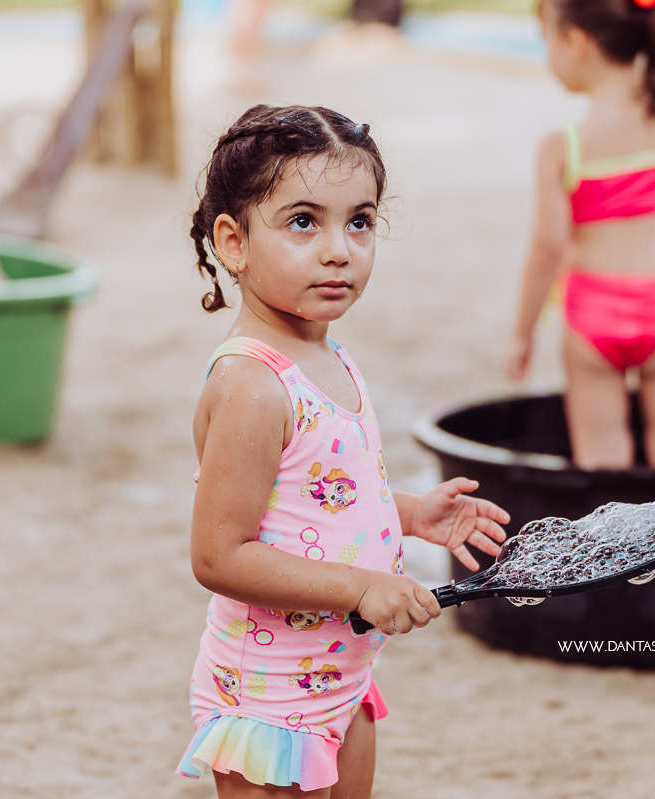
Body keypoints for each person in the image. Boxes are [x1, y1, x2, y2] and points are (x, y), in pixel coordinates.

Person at [176, 104, 510, 798]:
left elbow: (317, 500)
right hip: (271, 699)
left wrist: (412, 514)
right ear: (233, 243)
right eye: (304, 221)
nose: (339, 249)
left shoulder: (329, 356)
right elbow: (219, 553)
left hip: (341, 673)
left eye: (359, 221)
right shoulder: (253, 385)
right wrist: (362, 585)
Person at [506, 0, 655, 470]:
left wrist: (522, 332)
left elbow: (547, 247)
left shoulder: (561, 148)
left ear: (575, 43)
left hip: (591, 316)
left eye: (546, 39)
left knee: (603, 474)